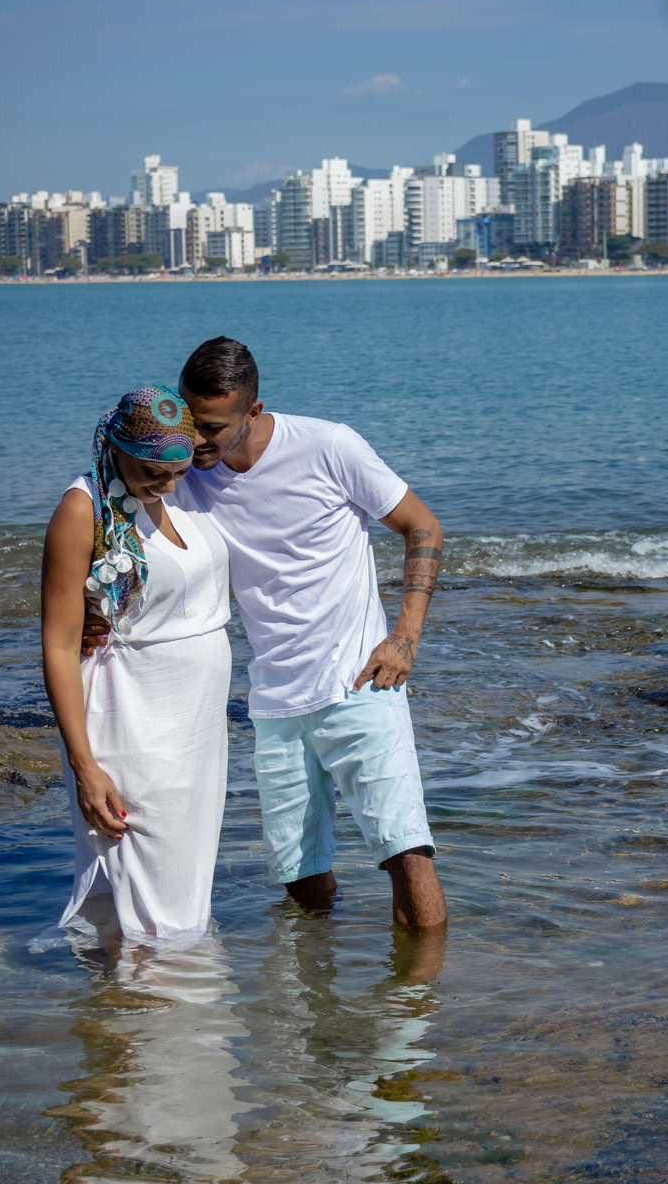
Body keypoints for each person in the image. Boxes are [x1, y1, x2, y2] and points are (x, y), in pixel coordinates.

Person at [84, 338, 446, 932]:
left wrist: (405, 635)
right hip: (274, 701)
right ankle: (314, 1007)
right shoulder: (186, 472)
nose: (197, 440)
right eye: (191, 421)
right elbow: (126, 532)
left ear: (253, 411)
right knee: (301, 876)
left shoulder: (330, 446)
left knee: (403, 851)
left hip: (360, 682)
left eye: (214, 427)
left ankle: (416, 1015)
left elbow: (422, 526)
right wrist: (94, 612)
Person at [43, 384, 232, 947]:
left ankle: (133, 1017)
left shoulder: (178, 489)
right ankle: (156, 1015)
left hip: (195, 731)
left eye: (178, 470)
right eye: (154, 472)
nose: (169, 484)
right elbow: (57, 643)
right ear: (116, 446)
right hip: (131, 720)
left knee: (178, 880)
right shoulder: (83, 509)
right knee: (148, 881)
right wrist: (85, 768)